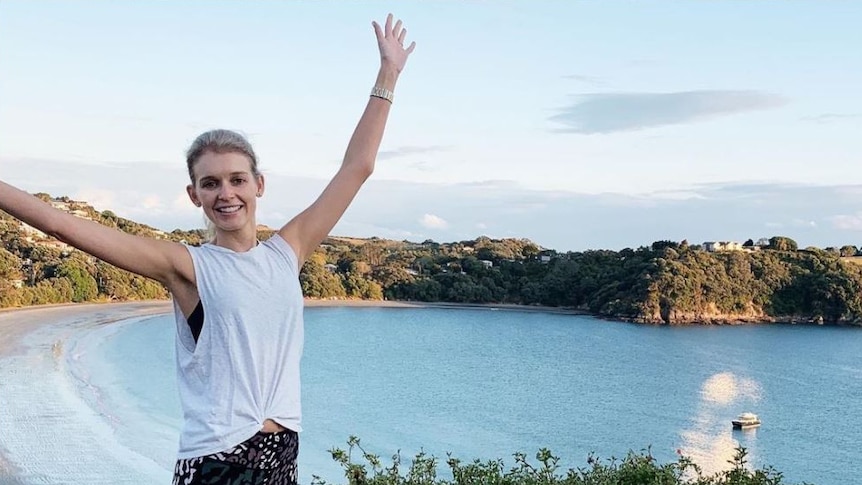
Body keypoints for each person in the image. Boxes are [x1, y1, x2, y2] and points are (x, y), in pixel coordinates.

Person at [0, 13, 415, 485]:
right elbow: (62, 225)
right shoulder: (187, 266)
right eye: (210, 183)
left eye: (237, 180)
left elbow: (357, 168)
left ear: (259, 185)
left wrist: (388, 74)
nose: (226, 193)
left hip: (283, 456)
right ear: (194, 194)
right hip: (218, 462)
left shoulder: (287, 252)